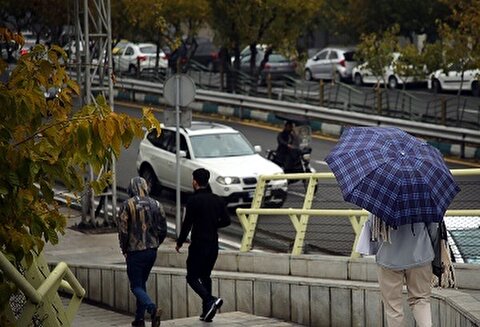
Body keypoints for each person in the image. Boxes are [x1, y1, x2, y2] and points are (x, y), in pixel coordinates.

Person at [175, 168, 231, 322]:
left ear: (195, 181)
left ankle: (210, 299)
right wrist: (213, 224)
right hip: (213, 244)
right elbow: (227, 221)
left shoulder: (193, 201)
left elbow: (187, 224)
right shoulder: (217, 200)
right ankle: (207, 312)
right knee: (206, 276)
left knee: (192, 276)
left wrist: (179, 242)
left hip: (199, 244)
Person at [367, 213, 439, 327]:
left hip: (388, 258)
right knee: (421, 300)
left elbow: (372, 229)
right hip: (420, 255)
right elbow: (433, 229)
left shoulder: (381, 199)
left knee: (393, 307)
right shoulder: (421, 198)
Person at [117, 177, 167, 327]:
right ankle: (139, 319)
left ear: (130, 188)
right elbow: (163, 229)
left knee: (135, 286)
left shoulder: (127, 205)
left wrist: (124, 248)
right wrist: (156, 244)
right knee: (141, 283)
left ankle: (152, 309)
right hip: (151, 251)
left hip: (135, 251)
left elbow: (123, 231)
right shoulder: (156, 204)